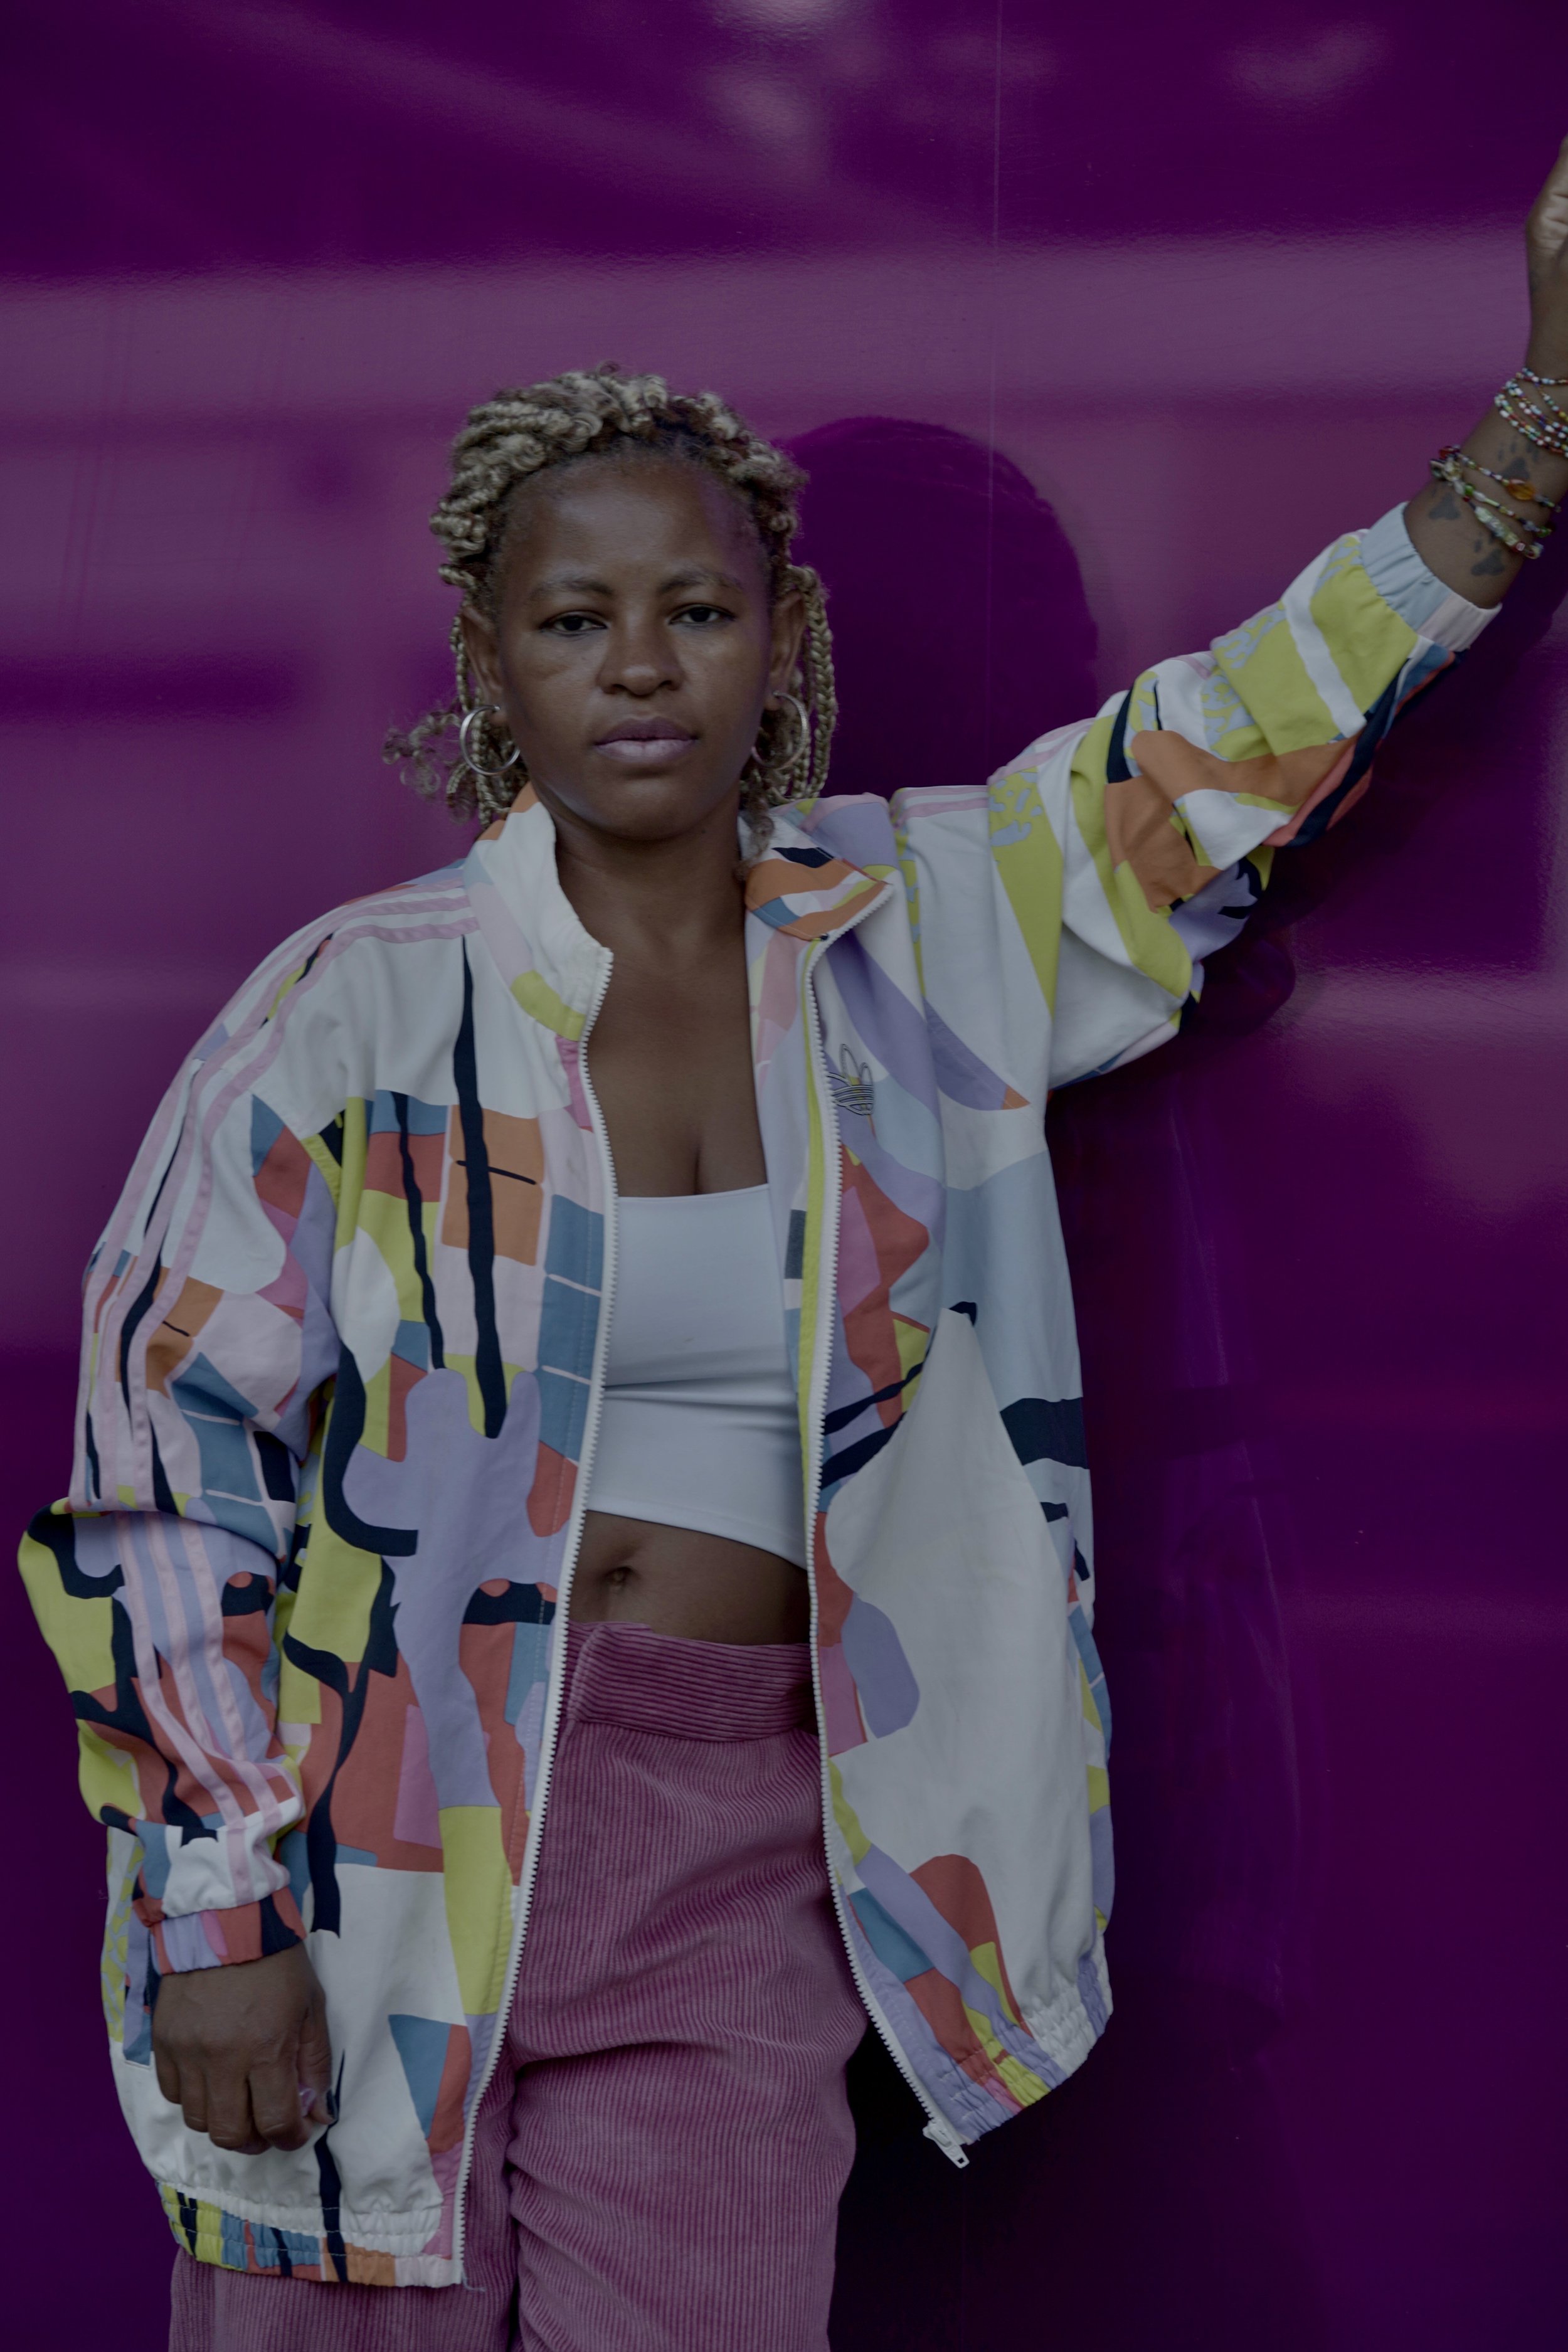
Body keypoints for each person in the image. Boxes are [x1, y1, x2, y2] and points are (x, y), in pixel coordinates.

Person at [19, 146, 1568, 2352]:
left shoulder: (936, 924)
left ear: (781, 639)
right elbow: (158, 1477)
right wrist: (212, 1907)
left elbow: (1230, 746)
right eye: (573, 621)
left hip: (749, 1844)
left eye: (697, 610)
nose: (637, 669)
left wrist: (1537, 423)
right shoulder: (346, 1011)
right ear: (494, 660)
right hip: (388, 1832)